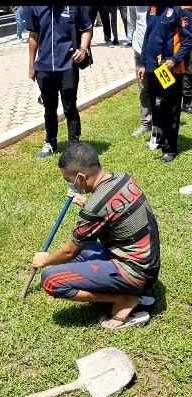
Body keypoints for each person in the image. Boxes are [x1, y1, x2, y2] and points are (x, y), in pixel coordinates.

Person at [32, 143, 161, 330]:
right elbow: (115, 210)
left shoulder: (95, 208)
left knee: (51, 280)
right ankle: (122, 290)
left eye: (68, 179)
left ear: (80, 178)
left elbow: (69, 252)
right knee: (81, 255)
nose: (69, 183)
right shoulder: (123, 178)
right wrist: (86, 203)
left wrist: (44, 260)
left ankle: (125, 299)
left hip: (137, 273)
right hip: (147, 262)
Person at [25, 6, 92, 159]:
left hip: (69, 64)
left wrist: (82, 49)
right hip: (44, 67)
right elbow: (33, 35)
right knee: (49, 109)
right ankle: (50, 143)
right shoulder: (35, 8)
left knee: (70, 107)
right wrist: (31, 64)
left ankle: (74, 146)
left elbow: (87, 28)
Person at [138, 6, 192, 162]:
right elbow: (147, 37)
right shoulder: (152, 9)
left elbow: (188, 39)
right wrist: (142, 63)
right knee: (156, 106)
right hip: (152, 67)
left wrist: (174, 60)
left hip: (169, 69)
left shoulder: (180, 10)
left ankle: (169, 149)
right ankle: (159, 140)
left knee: (170, 107)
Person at [128, 6, 152, 137]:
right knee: (143, 89)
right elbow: (132, 21)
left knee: (161, 88)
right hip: (139, 50)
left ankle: (162, 121)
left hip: (157, 52)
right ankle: (145, 123)